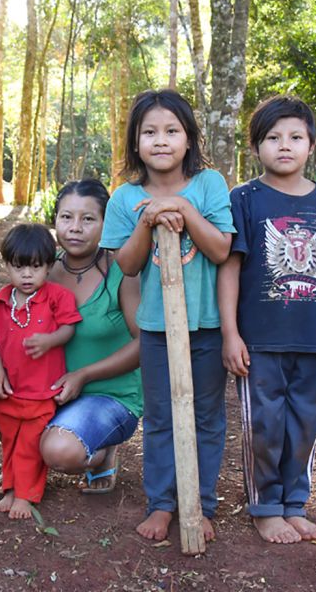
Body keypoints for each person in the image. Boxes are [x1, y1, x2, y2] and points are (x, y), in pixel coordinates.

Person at [218, 95, 316, 544]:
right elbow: (230, 267)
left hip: (315, 340)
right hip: (259, 341)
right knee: (264, 426)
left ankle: (294, 503)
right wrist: (230, 333)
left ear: (311, 145)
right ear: (256, 147)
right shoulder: (244, 198)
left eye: (295, 137)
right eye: (272, 138)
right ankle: (265, 506)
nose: (284, 146)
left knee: (304, 425)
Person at [100, 89, 234, 544]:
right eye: (149, 132)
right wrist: (148, 220)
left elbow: (219, 248)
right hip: (157, 329)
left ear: (189, 139)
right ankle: (161, 504)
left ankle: (201, 503)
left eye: (172, 131)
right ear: (135, 143)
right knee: (160, 417)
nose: (161, 140)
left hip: (209, 326)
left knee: (206, 417)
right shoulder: (125, 198)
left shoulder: (209, 185)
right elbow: (129, 264)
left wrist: (182, 209)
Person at [0, 179, 143, 497]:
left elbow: (144, 344)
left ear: (105, 222)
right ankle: (20, 461)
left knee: (58, 450)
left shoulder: (123, 270)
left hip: (108, 396)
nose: (75, 228)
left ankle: (100, 454)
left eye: (88, 219)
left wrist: (84, 375)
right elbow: (12, 321)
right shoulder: (40, 264)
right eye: (67, 217)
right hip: (45, 388)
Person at [0, 224, 82, 519]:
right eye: (18, 267)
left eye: (35, 268)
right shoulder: (1, 300)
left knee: (31, 444)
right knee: (10, 440)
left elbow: (69, 328)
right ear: (7, 265)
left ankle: (26, 495)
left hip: (41, 390)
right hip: (9, 390)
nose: (26, 275)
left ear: (48, 267)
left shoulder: (55, 297)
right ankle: (11, 486)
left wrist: (49, 340)